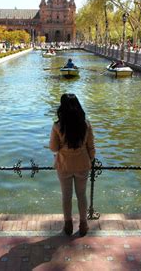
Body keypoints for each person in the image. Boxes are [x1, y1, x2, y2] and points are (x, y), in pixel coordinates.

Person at [49, 94, 95, 237]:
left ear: (62, 107)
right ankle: (83, 224)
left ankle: (68, 224)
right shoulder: (86, 124)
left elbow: (53, 148)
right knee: (82, 195)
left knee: (66, 196)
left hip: (64, 165)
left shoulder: (57, 126)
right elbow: (91, 147)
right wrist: (90, 159)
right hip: (82, 164)